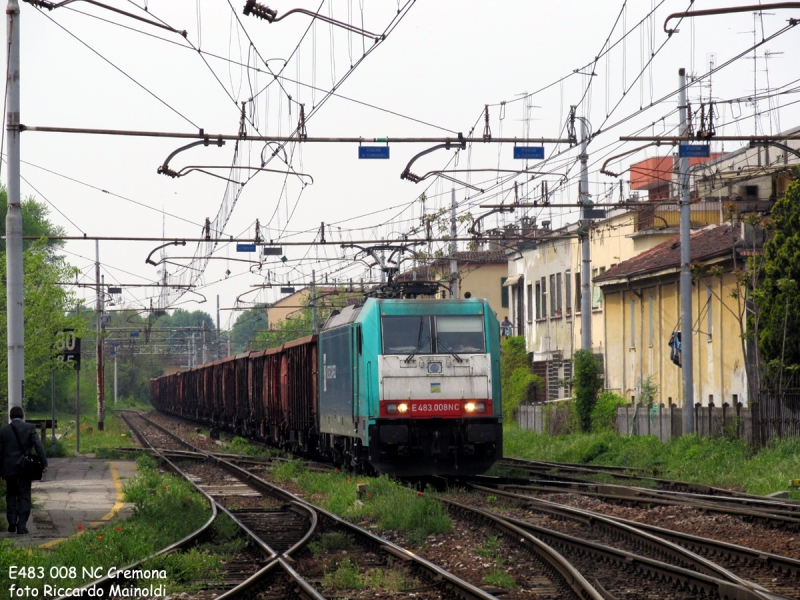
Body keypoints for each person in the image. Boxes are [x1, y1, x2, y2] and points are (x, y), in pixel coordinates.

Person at [0, 406, 48, 534]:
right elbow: (38, 446)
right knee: (24, 495)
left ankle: (11, 521)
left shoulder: (3, 431)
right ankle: (21, 526)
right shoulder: (30, 428)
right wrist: (44, 463)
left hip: (9, 468)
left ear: (10, 417)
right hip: (24, 467)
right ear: (22, 416)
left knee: (11, 493)